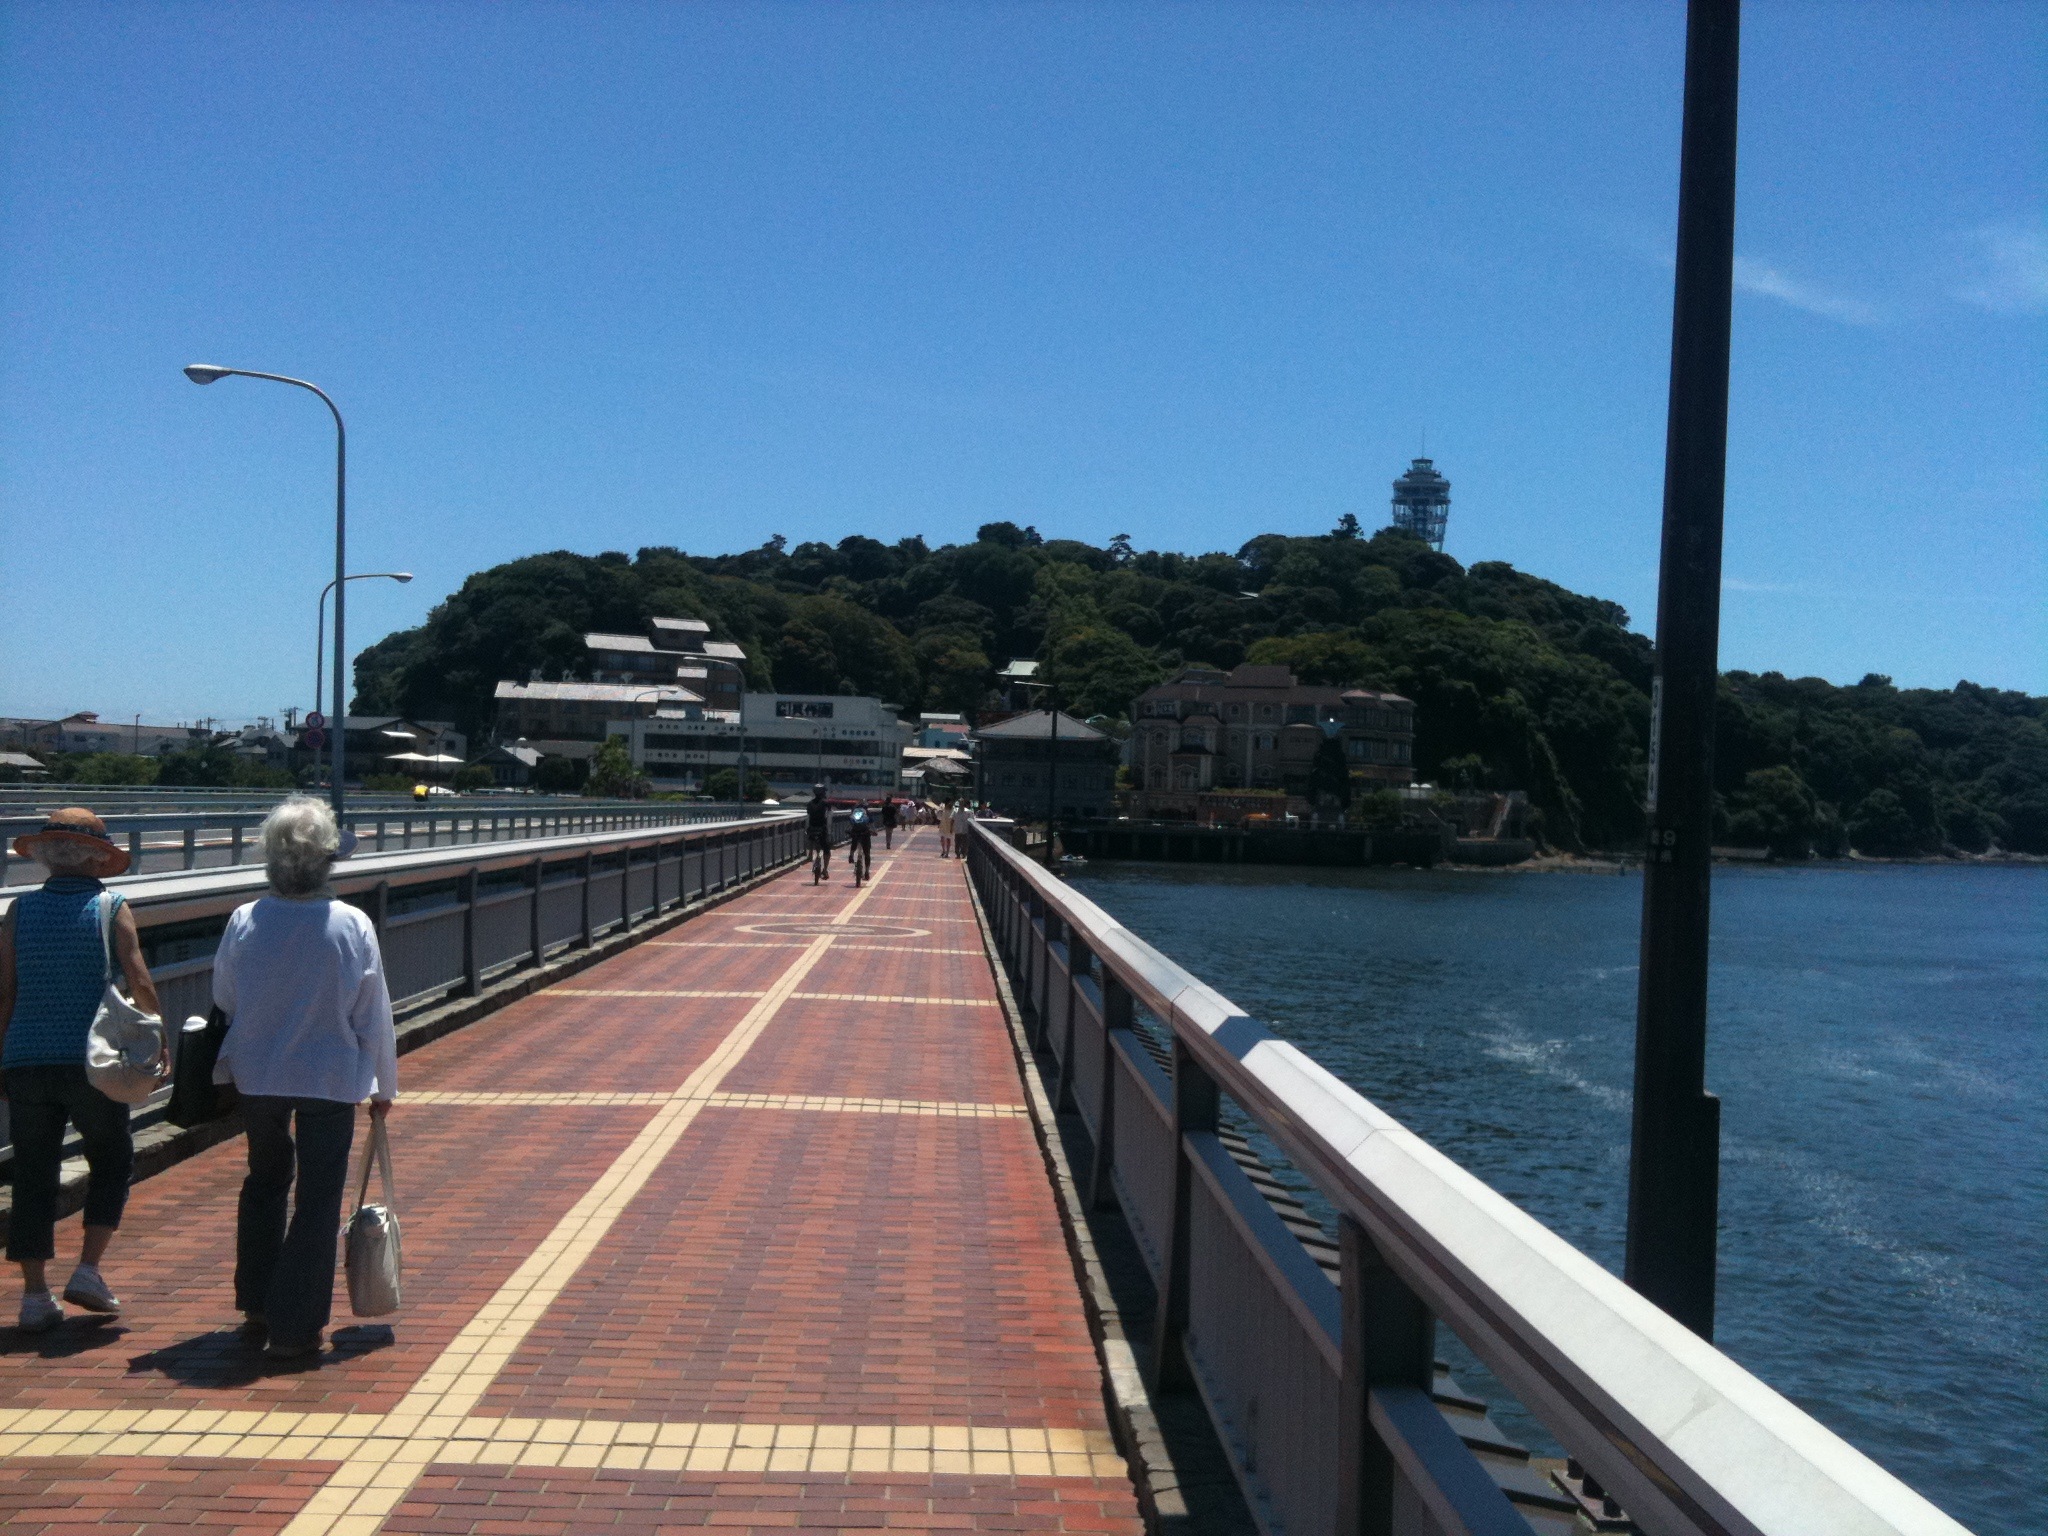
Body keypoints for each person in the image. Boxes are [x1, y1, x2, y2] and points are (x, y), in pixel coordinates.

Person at [211, 797, 397, 1361]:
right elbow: (373, 1014)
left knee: (265, 1181)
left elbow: (225, 997)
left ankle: (257, 1304)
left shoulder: (246, 919)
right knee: (318, 1200)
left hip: (259, 1076)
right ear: (327, 862)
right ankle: (294, 1328)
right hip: (329, 1075)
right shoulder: (351, 924)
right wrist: (383, 1088)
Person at [0, 809, 160, 1332]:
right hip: (93, 1062)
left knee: (32, 1175)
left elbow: (6, 990)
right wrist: (157, 1039)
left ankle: (33, 1296)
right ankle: (88, 1269)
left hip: (26, 1059)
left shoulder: (18, 912)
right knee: (112, 1158)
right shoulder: (110, 906)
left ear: (46, 855)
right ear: (96, 857)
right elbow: (138, 979)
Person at [804, 784, 832, 879]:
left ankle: (810, 854)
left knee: (813, 842)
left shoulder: (809, 803)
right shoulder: (826, 803)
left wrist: (807, 829)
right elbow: (828, 817)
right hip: (822, 829)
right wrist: (829, 829)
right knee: (827, 851)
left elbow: (808, 818)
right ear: (822, 793)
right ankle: (825, 870)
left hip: (812, 829)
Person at [847, 803, 873, 883]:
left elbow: (850, 823)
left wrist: (848, 830)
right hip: (865, 833)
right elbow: (872, 824)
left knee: (854, 842)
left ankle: (851, 855)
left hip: (855, 832)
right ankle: (867, 872)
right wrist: (874, 831)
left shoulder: (854, 812)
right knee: (867, 853)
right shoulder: (867, 813)